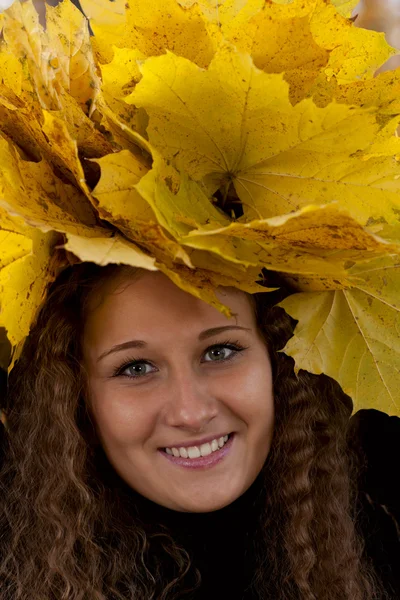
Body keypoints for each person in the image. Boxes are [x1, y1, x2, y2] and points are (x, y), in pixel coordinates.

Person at [0, 261, 399, 599]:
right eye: (135, 368)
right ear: (76, 395)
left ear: (278, 359)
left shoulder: (383, 536)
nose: (190, 413)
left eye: (220, 352)